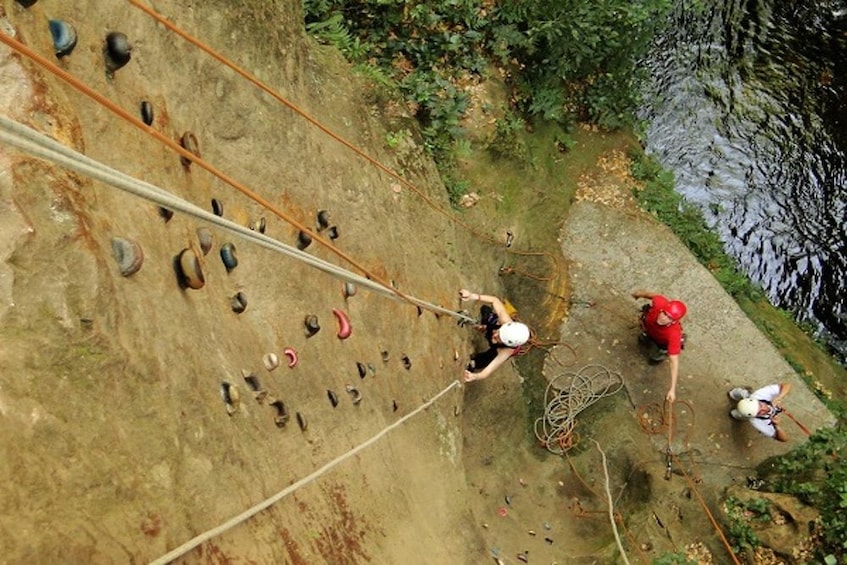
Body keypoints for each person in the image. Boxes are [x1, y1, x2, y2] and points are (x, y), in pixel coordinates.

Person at [459, 288, 530, 382]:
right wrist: (472, 296)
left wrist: (475, 376)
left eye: (498, 338)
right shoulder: (505, 321)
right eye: (499, 332)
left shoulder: (506, 351)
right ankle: (486, 323)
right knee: (487, 313)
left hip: (497, 349)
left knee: (487, 358)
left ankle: (474, 363)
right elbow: (494, 300)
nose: (495, 335)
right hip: (494, 326)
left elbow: (488, 370)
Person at [631, 290, 687, 403]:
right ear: (662, 309)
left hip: (661, 342)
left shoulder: (673, 334)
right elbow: (651, 295)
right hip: (649, 330)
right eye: (664, 313)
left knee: (655, 355)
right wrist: (638, 294)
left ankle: (657, 358)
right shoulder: (660, 303)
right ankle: (646, 339)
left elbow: (674, 361)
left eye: (669, 318)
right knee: (644, 337)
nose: (663, 318)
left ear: (673, 321)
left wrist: (672, 389)